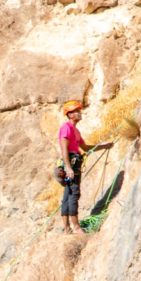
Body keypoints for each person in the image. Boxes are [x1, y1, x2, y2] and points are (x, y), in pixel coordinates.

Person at [56, 100, 114, 234]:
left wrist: (104, 146)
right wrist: (68, 168)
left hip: (74, 163)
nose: (79, 113)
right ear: (70, 114)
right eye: (76, 111)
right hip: (70, 163)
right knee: (74, 193)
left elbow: (86, 148)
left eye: (79, 111)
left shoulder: (76, 131)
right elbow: (64, 149)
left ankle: (67, 228)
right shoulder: (66, 128)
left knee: (68, 194)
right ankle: (76, 227)